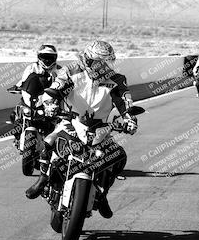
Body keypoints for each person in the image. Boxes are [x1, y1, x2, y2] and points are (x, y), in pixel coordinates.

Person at [26, 40, 138, 219]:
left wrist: (129, 118)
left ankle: (102, 194)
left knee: (118, 157)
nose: (103, 67)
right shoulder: (71, 71)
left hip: (100, 127)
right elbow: (55, 90)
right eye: (99, 63)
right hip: (71, 121)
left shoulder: (116, 79)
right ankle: (43, 179)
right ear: (87, 59)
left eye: (107, 62)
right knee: (49, 143)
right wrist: (50, 103)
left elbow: (124, 101)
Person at [9, 44, 60, 140]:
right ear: (39, 57)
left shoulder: (59, 70)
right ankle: (18, 135)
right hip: (33, 98)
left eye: (50, 57)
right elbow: (25, 79)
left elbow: (65, 83)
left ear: (55, 58)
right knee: (16, 111)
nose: (47, 60)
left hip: (50, 101)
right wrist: (18, 86)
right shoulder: (32, 67)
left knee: (60, 121)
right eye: (44, 57)